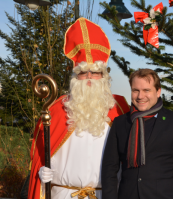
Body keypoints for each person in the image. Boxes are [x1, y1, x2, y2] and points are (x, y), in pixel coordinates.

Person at [28, 17, 130, 199]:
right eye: (83, 73)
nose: (89, 78)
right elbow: (39, 153)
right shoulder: (57, 109)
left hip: (105, 195)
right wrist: (41, 171)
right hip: (64, 195)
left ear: (104, 76)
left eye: (96, 72)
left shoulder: (119, 108)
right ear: (75, 77)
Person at [102, 69, 173, 199]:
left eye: (146, 90)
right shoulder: (120, 123)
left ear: (158, 92)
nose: (140, 96)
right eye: (135, 90)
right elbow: (109, 169)